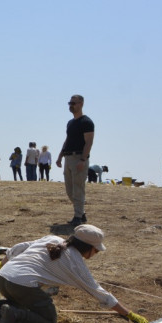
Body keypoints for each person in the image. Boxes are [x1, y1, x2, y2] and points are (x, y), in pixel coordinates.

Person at [0, 225, 149, 323]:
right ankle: (14, 313)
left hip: (2, 278)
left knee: (29, 300)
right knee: (49, 320)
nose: (96, 253)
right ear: (88, 248)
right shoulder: (76, 264)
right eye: (96, 250)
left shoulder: (52, 238)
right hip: (21, 286)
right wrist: (131, 315)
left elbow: (18, 248)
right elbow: (100, 293)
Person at [56, 95, 94, 226]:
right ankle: (81, 213)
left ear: (81, 104)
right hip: (68, 157)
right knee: (69, 190)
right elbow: (67, 140)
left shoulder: (86, 122)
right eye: (69, 103)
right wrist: (60, 156)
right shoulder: (70, 123)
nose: (71, 105)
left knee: (78, 188)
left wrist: (83, 159)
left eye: (73, 103)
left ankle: (78, 216)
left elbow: (89, 142)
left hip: (78, 157)